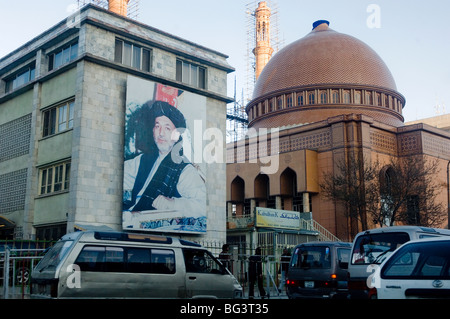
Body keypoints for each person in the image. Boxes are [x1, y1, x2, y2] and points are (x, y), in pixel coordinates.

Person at [123, 100, 205, 226]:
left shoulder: (184, 169)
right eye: (157, 126)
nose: (160, 133)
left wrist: (173, 203)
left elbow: (202, 205)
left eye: (167, 128)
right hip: (127, 218)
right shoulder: (143, 160)